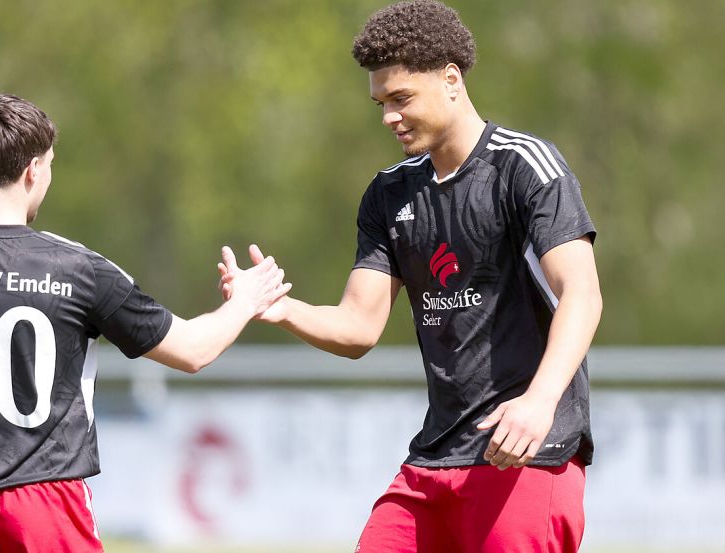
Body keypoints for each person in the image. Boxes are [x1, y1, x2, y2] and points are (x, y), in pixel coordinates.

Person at [219, 1, 602, 551]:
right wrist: (280, 310)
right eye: (380, 102)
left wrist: (538, 403)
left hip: (525, 458)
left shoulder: (524, 166)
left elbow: (582, 294)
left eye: (401, 99)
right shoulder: (389, 193)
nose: (388, 117)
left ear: (451, 81)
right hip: (433, 461)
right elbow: (358, 328)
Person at [0, 94, 290, 553]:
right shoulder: (78, 267)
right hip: (46, 506)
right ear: (33, 170)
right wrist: (245, 300)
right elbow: (193, 351)